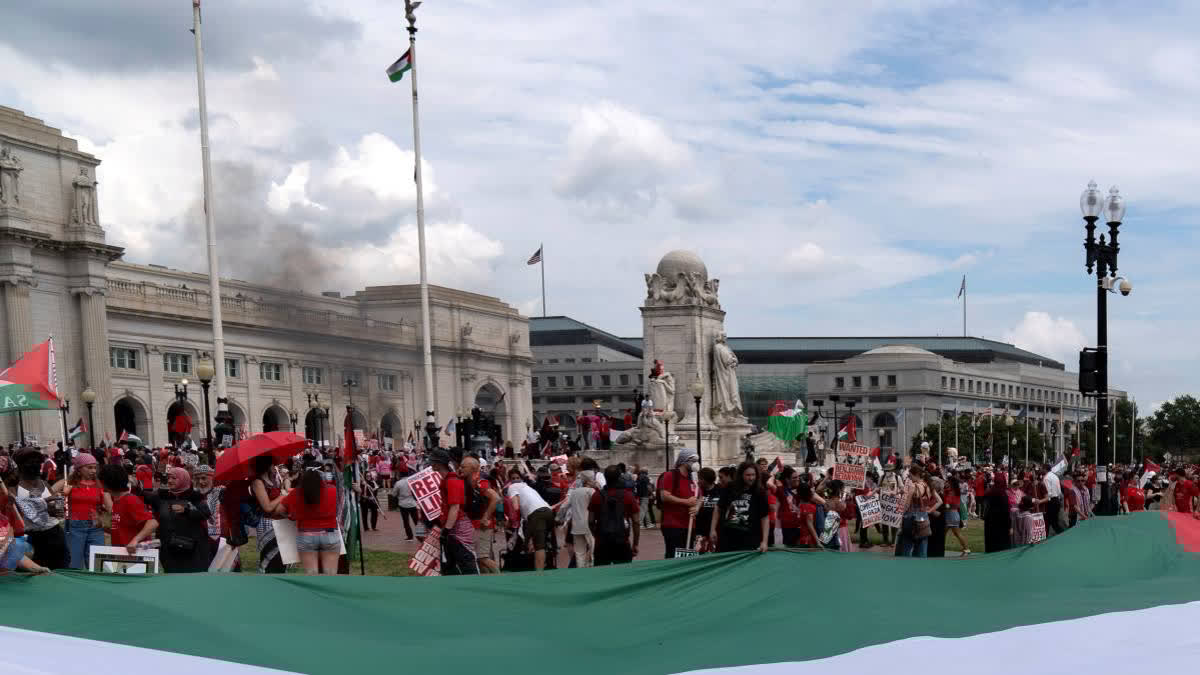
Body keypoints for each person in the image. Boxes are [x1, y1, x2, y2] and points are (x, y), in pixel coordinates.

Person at [276, 463, 341, 575]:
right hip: (330, 533)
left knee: (311, 574)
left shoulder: (295, 493)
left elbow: (279, 510)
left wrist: (290, 517)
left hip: (306, 535)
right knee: (330, 574)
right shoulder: (332, 490)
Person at [12, 449, 69, 569]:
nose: (35, 464)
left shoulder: (44, 484)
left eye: (37, 461)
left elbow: (54, 505)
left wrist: (57, 508)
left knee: (60, 569)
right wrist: (44, 507)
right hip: (32, 537)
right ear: (20, 465)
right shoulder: (14, 488)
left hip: (54, 534)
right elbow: (19, 510)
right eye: (30, 461)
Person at [147, 467, 211, 572]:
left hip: (190, 547)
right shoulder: (161, 496)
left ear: (183, 479)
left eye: (174, 478)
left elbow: (205, 514)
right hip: (168, 548)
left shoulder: (194, 496)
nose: (170, 481)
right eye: (168, 478)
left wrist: (187, 511)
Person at [55, 452, 106, 569]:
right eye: (89, 467)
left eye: (95, 468)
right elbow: (51, 498)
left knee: (97, 564)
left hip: (96, 528)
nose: (93, 471)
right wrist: (63, 494)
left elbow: (109, 506)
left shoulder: (99, 485)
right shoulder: (68, 483)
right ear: (79, 469)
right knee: (74, 563)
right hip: (74, 527)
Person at [430, 450, 477, 575]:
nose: (430, 463)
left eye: (433, 460)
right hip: (453, 527)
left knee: (466, 564)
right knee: (449, 565)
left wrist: (446, 530)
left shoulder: (452, 481)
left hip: (458, 528)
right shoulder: (448, 479)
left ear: (440, 463)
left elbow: (455, 507)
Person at [711, 461, 769, 553]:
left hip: (749, 538)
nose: (751, 478)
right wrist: (713, 529)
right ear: (741, 475)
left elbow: (765, 517)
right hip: (727, 536)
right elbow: (718, 508)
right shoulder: (730, 487)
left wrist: (764, 541)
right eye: (748, 475)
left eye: (753, 475)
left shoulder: (760, 492)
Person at [99, 464, 158, 554]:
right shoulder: (117, 501)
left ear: (107, 483)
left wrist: (135, 540)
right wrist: (102, 527)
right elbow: (121, 530)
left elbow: (153, 523)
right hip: (123, 553)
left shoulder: (130, 500)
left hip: (134, 555)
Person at [588, 465, 640, 565]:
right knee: (623, 574)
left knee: (602, 574)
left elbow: (590, 521)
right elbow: (636, 521)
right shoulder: (628, 495)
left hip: (602, 541)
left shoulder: (597, 495)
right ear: (619, 477)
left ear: (605, 478)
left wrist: (596, 536)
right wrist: (635, 544)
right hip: (622, 540)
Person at [506, 467, 555, 571]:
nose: (515, 479)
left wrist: (511, 521)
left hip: (536, 514)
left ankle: (539, 574)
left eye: (516, 477)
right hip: (547, 511)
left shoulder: (512, 486)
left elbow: (515, 506)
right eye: (513, 478)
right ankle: (543, 566)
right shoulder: (527, 487)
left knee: (539, 546)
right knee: (539, 543)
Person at [461, 456, 501, 574]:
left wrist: (485, 517)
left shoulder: (480, 482)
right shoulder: (469, 481)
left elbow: (496, 498)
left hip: (482, 525)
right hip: (475, 524)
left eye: (464, 467)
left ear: (473, 468)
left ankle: (502, 579)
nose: (460, 469)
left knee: (483, 557)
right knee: (479, 558)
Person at [658, 448, 699, 558]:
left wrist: (697, 508)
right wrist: (686, 502)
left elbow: (700, 497)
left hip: (689, 525)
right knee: (673, 555)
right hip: (673, 525)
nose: (696, 463)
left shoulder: (694, 479)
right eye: (693, 460)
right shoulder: (670, 475)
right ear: (684, 460)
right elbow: (664, 496)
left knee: (687, 556)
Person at [250, 455, 286, 573]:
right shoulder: (257, 482)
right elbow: (267, 507)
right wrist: (283, 495)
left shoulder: (274, 479)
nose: (275, 467)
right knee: (271, 562)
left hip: (281, 523)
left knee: (282, 561)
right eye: (273, 464)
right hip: (269, 525)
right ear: (266, 465)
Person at [566, 469, 598, 567]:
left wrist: (559, 517)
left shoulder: (574, 492)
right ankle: (592, 569)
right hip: (589, 525)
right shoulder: (592, 491)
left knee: (579, 553)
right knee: (593, 551)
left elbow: (565, 505)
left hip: (576, 526)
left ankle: (581, 571)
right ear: (589, 480)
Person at [982, 475, 1012, 553]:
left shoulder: (990, 492)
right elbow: (1006, 512)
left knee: (991, 545)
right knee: (1001, 547)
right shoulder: (1003, 494)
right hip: (1001, 524)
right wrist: (1010, 526)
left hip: (990, 522)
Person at [390, 469, 418, 540]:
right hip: (412, 503)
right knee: (416, 521)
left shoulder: (398, 483)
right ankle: (420, 535)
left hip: (403, 504)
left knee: (406, 521)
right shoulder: (412, 481)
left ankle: (410, 536)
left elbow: (394, 494)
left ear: (400, 475)